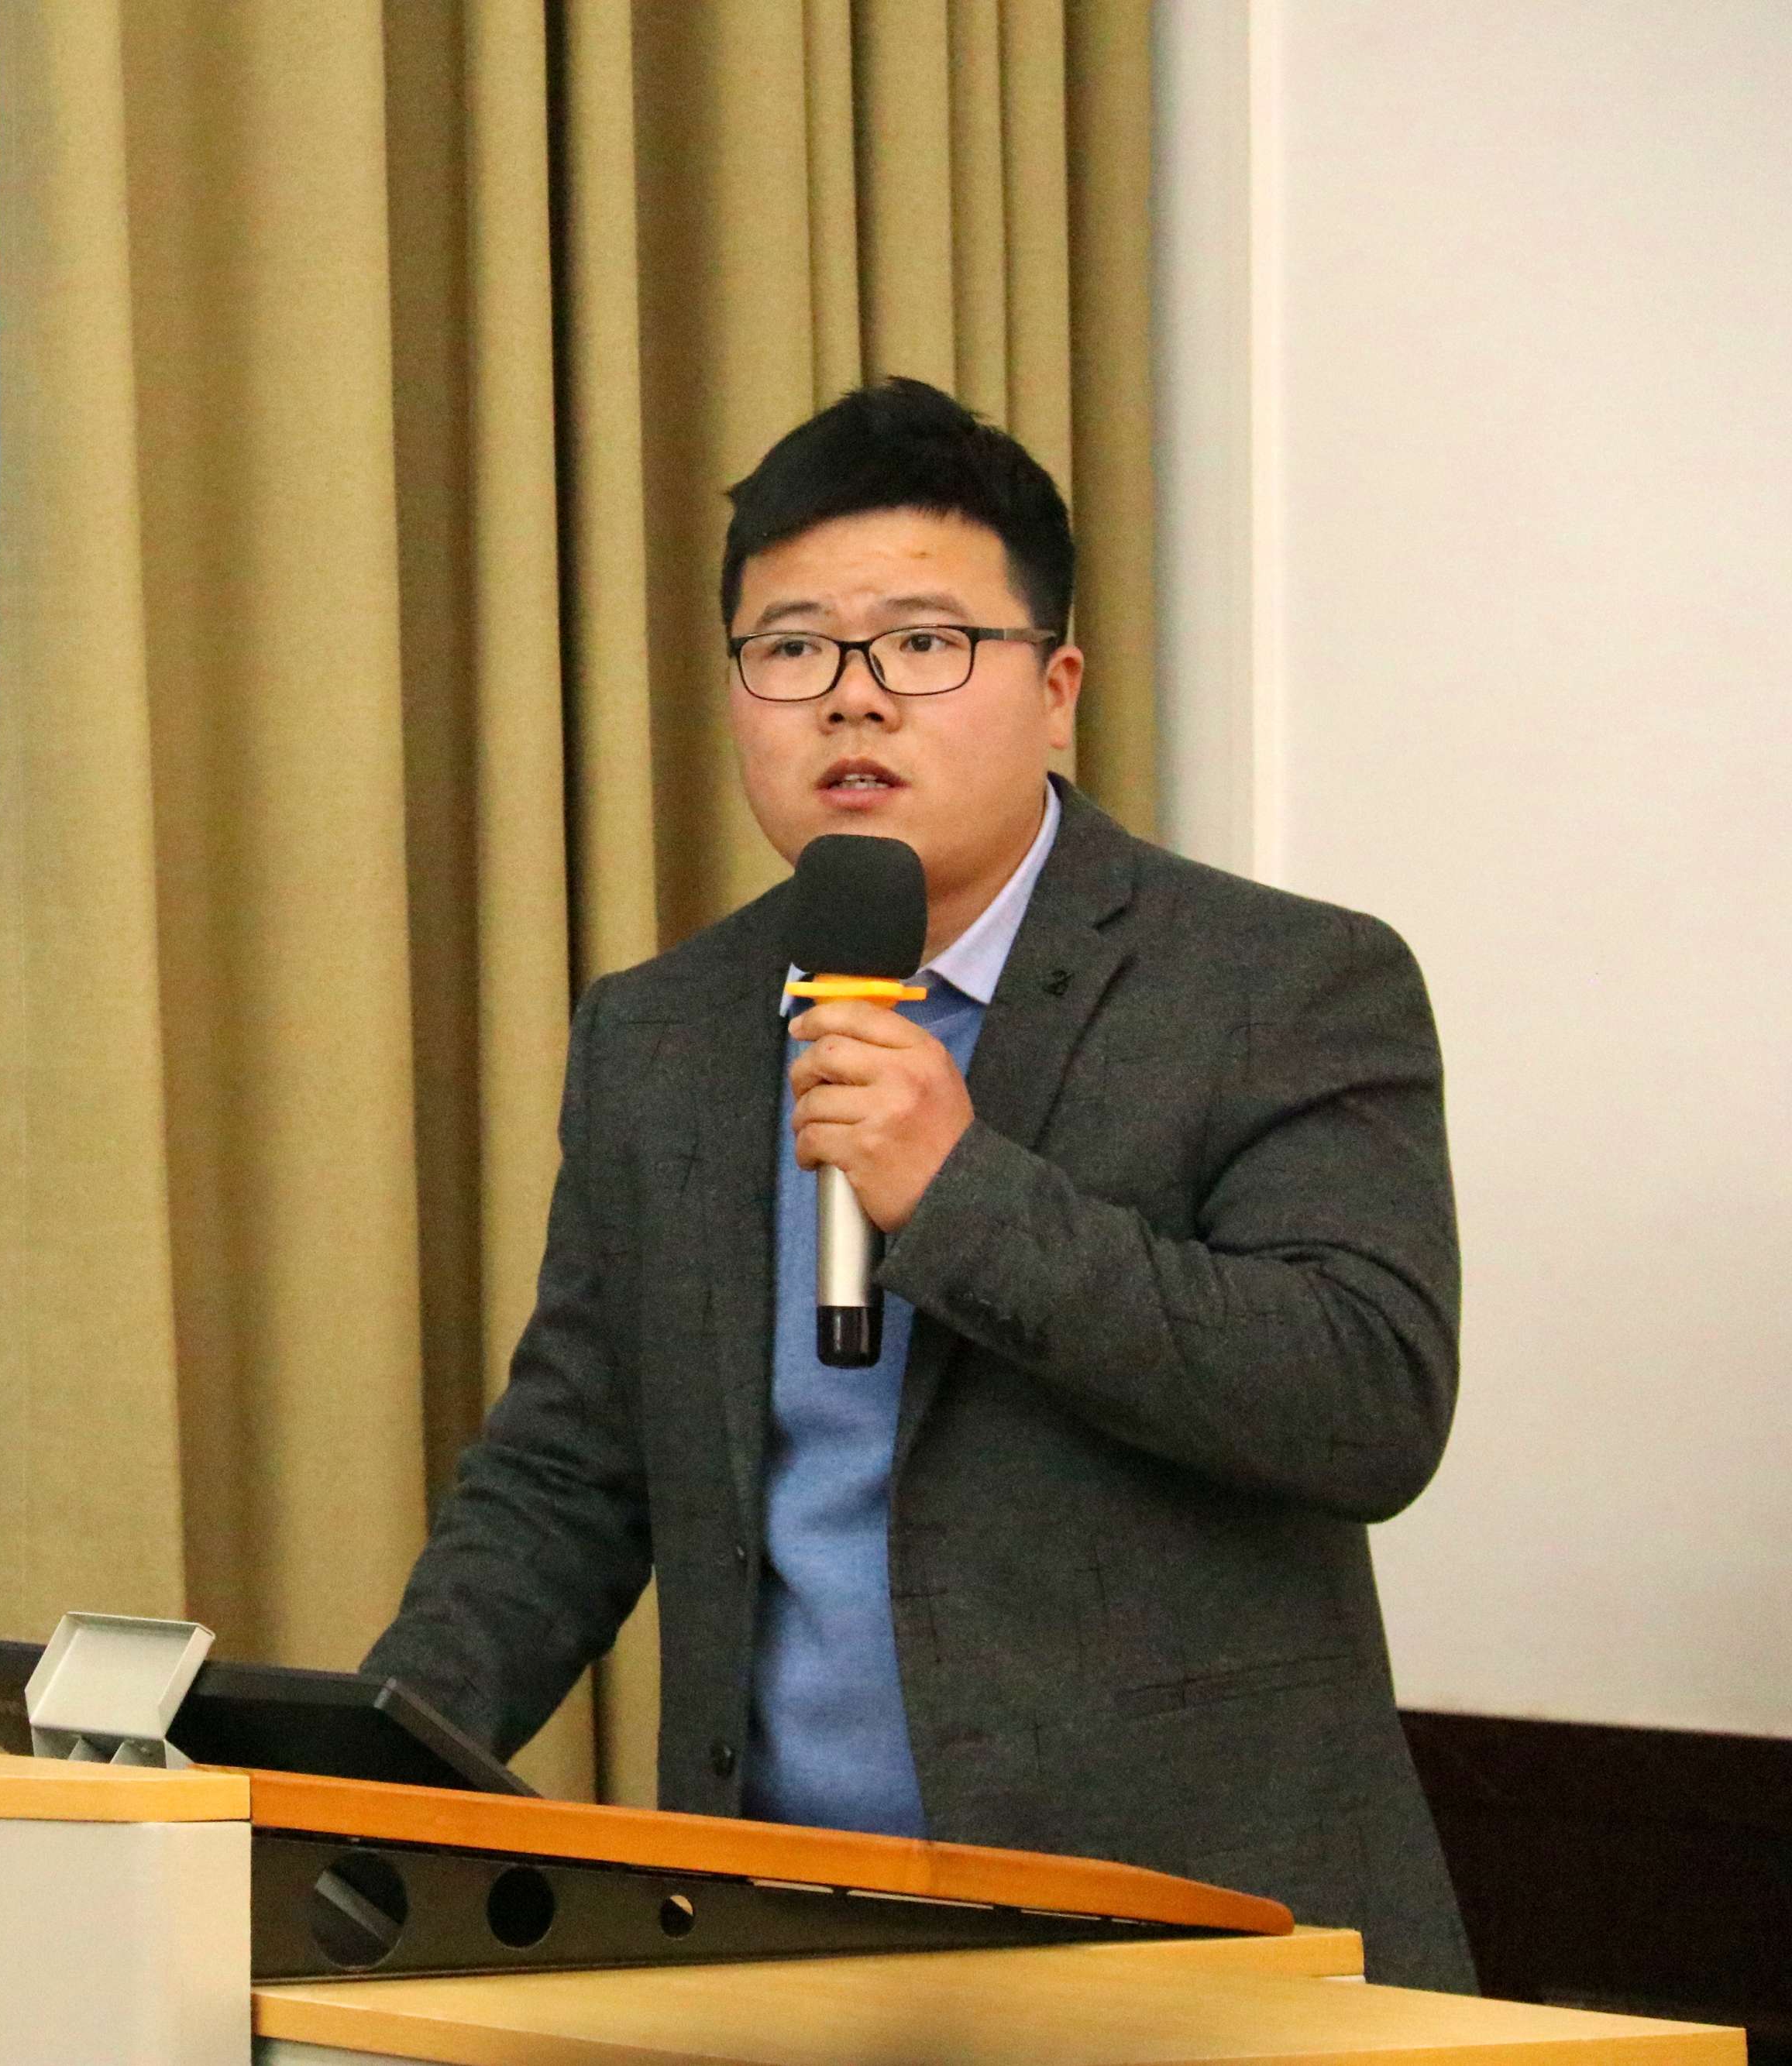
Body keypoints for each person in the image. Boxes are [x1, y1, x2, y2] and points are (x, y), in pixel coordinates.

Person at [363, 378, 1472, 1989]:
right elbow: (566, 1478)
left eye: (923, 643)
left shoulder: (1279, 983)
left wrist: (957, 1192)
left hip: (1193, 1947)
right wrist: (353, 1780)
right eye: (792, 648)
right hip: (776, 1939)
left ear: (1055, 690)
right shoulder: (663, 1031)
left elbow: (1366, 1399)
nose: (852, 701)